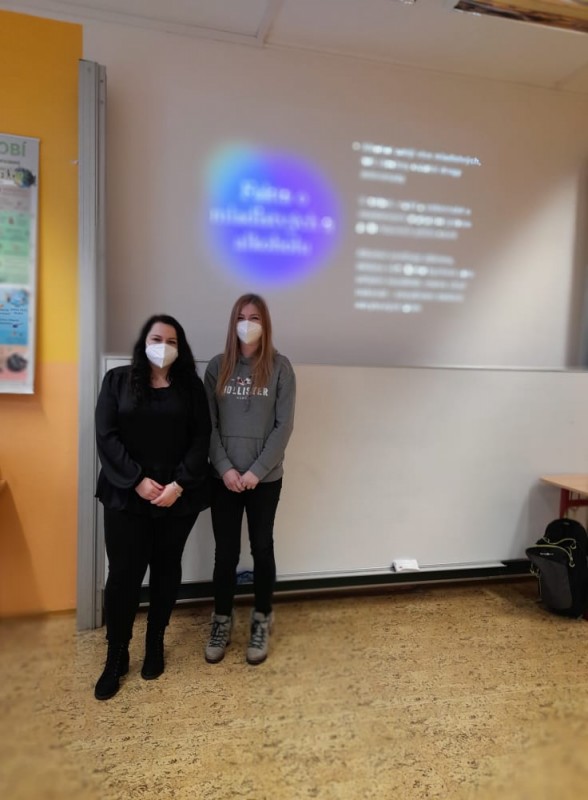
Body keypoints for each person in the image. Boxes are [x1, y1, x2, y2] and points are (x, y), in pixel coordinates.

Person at [93, 314, 211, 700]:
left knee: (166, 569)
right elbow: (106, 436)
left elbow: (201, 438)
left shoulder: (191, 387)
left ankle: (155, 642)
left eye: (172, 341)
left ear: (181, 347)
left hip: (178, 496)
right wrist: (137, 481)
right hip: (126, 494)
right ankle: (117, 654)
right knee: (123, 575)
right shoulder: (117, 381)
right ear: (144, 342)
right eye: (157, 339)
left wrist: (178, 485)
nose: (164, 347)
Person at [204, 294, 296, 666]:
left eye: (254, 317)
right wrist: (225, 468)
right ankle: (221, 620)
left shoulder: (280, 368)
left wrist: (256, 471)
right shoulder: (217, 367)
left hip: (265, 479)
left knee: (262, 547)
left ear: (265, 323)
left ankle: (261, 616)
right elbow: (208, 425)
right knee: (225, 553)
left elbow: (283, 427)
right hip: (222, 478)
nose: (247, 323)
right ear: (233, 322)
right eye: (241, 317)